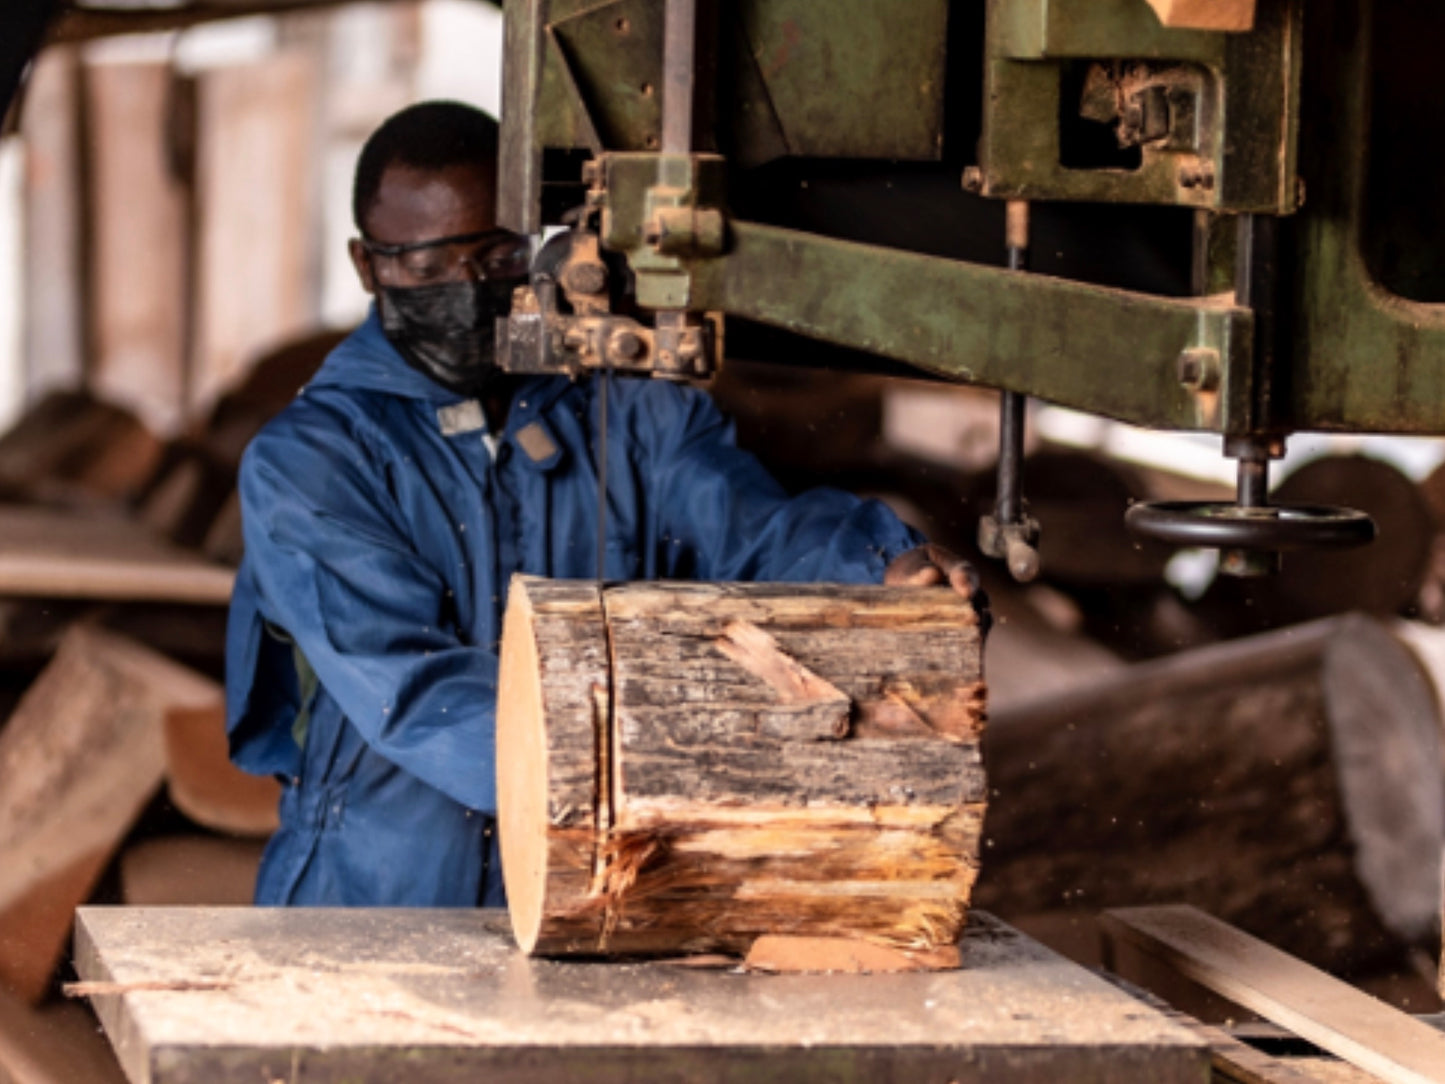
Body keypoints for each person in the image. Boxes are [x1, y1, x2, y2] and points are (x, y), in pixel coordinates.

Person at [225, 100, 983, 908]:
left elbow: (754, 530)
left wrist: (878, 566)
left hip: (604, 892)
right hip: (378, 890)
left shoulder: (631, 416)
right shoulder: (308, 462)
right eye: (426, 265)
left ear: (540, 244)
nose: (468, 287)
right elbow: (408, 687)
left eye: (495, 254)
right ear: (367, 264)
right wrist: (655, 768)